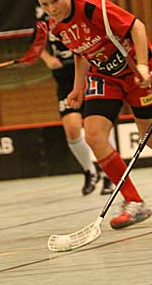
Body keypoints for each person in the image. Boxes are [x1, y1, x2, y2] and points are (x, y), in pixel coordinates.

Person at [33, 0, 152, 229]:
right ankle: (134, 201)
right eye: (45, 4)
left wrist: (143, 65)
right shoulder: (54, 25)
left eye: (55, 0)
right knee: (93, 135)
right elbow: (81, 52)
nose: (52, 9)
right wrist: (78, 88)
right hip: (105, 76)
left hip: (138, 71)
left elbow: (137, 27)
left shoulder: (92, 7)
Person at [39, 24, 114, 196]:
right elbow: (35, 44)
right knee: (72, 129)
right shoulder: (42, 19)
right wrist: (48, 58)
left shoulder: (80, 15)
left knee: (99, 128)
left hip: (91, 76)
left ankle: (110, 175)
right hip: (65, 81)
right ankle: (90, 171)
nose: (52, 10)